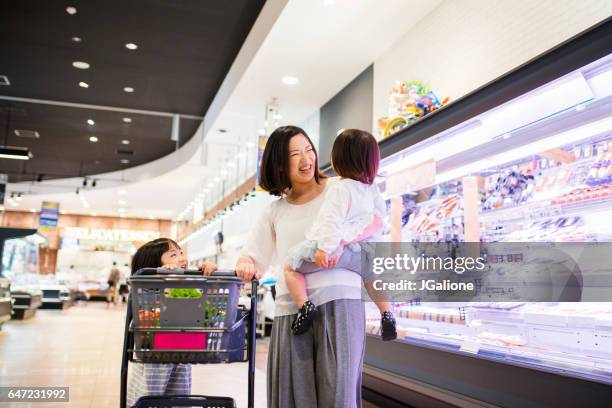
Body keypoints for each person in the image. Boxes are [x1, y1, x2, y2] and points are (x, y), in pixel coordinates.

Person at [237, 125, 369, 408]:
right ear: (279, 165)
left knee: (339, 396)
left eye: (308, 149)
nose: (305, 159)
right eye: (294, 154)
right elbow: (251, 256)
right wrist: (245, 264)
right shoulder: (274, 211)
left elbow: (372, 229)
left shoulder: (342, 187)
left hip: (341, 303)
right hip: (293, 310)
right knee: (293, 396)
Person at [284, 129, 396, 340]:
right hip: (362, 253)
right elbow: (380, 218)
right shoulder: (371, 188)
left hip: (335, 251)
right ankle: (386, 312)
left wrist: (327, 248)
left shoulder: (340, 188)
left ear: (338, 160)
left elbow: (331, 221)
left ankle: (304, 306)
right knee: (372, 277)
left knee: (290, 266)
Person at [126, 238, 217, 407]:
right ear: (153, 266)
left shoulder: (188, 287)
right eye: (173, 255)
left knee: (179, 399)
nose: (182, 258)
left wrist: (209, 278)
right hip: (154, 359)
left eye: (181, 253)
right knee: (148, 399)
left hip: (182, 354)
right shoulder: (145, 294)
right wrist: (167, 281)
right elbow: (149, 322)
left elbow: (211, 317)